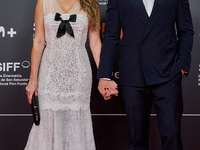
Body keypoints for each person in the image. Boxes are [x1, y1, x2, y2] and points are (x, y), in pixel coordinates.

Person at [97, 0, 194, 150]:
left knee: (172, 139)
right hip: (133, 74)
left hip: (167, 73)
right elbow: (110, 34)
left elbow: (186, 31)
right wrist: (104, 76)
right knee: (137, 140)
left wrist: (181, 66)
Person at [25, 0, 101, 149]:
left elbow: (95, 43)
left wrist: (104, 77)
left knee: (77, 123)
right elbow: (39, 41)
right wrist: (33, 79)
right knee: (47, 123)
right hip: (50, 73)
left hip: (79, 75)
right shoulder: (44, 2)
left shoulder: (91, 4)